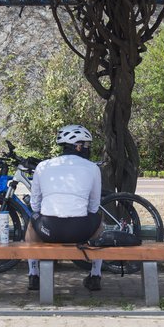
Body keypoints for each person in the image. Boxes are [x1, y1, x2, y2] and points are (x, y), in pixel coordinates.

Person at [26, 123, 104, 292]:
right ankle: (95, 275)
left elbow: (34, 204)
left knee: (32, 221)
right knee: (99, 220)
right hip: (80, 231)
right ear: (77, 146)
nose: (88, 148)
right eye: (86, 144)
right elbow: (94, 206)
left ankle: (33, 275)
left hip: (48, 230)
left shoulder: (43, 166)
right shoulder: (93, 168)